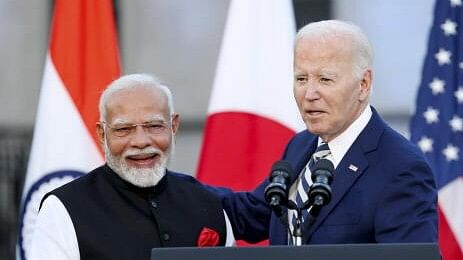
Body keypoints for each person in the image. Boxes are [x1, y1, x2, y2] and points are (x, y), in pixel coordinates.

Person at [219, 20, 438, 245]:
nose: (310, 94)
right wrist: (180, 190)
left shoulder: (401, 167)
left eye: (325, 79)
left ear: (363, 84)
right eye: (301, 79)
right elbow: (250, 214)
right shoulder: (301, 145)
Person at [29, 74, 234, 260]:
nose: (141, 141)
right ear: (102, 134)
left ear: (174, 126)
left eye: (154, 126)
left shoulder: (208, 203)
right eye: (124, 129)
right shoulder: (62, 209)